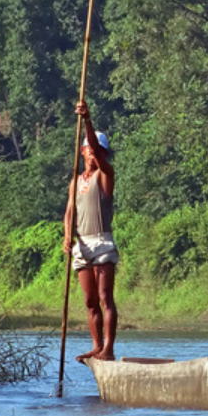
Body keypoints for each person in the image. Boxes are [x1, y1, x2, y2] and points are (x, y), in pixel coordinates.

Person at [67, 100, 118, 362]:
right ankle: (97, 346)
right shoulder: (76, 181)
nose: (96, 155)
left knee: (104, 296)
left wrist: (87, 119)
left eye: (100, 152)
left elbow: (99, 153)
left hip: (102, 242)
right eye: (90, 150)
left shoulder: (105, 175)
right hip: (82, 243)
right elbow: (69, 212)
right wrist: (67, 238)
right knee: (89, 302)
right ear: (82, 151)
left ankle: (108, 349)